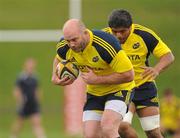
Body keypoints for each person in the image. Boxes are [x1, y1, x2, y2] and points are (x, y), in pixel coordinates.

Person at [51, 19, 135, 138]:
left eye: (75, 39)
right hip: (95, 93)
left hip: (119, 90)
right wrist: (54, 76)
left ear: (85, 33)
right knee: (90, 135)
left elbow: (129, 75)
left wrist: (97, 79)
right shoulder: (64, 46)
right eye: (68, 40)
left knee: (108, 127)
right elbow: (58, 58)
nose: (71, 44)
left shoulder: (106, 44)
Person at [103, 9, 175, 138]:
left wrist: (156, 69)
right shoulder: (104, 38)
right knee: (121, 127)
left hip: (144, 86)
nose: (118, 35)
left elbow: (168, 56)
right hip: (121, 88)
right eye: (115, 31)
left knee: (153, 132)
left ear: (130, 27)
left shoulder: (144, 35)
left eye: (123, 31)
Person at [10, 58, 46, 138]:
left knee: (37, 122)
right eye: (29, 65)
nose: (31, 67)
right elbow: (16, 90)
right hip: (24, 103)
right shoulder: (21, 77)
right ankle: (13, 136)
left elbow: (37, 90)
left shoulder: (35, 77)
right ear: (25, 66)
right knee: (20, 122)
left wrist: (38, 99)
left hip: (33, 103)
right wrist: (19, 99)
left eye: (32, 65)